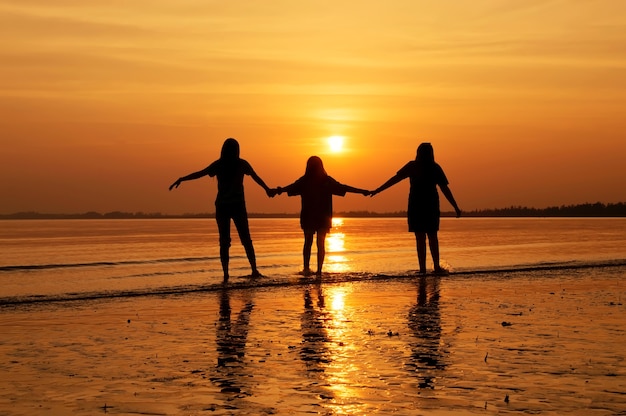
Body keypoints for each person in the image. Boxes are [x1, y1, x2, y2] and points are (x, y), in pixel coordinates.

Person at [169, 138, 274, 282]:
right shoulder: (234, 164)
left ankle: (229, 274)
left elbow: (201, 173)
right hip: (232, 206)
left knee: (227, 241)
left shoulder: (227, 164)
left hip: (227, 206)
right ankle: (251, 270)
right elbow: (201, 173)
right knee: (241, 240)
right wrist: (267, 189)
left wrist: (267, 189)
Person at [371, 142, 461, 275]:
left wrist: (455, 206)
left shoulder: (423, 167)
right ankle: (431, 268)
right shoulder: (428, 167)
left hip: (421, 205)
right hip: (423, 205)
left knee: (424, 237)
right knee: (430, 236)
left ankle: (426, 269)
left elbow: (444, 188)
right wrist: (378, 190)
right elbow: (444, 189)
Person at [274, 156, 369, 277]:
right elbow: (343, 187)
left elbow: (290, 188)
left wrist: (278, 191)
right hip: (319, 217)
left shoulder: (311, 181)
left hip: (312, 217)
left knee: (309, 242)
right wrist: (362, 191)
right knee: (319, 243)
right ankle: (317, 271)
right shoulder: (323, 181)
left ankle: (308, 270)